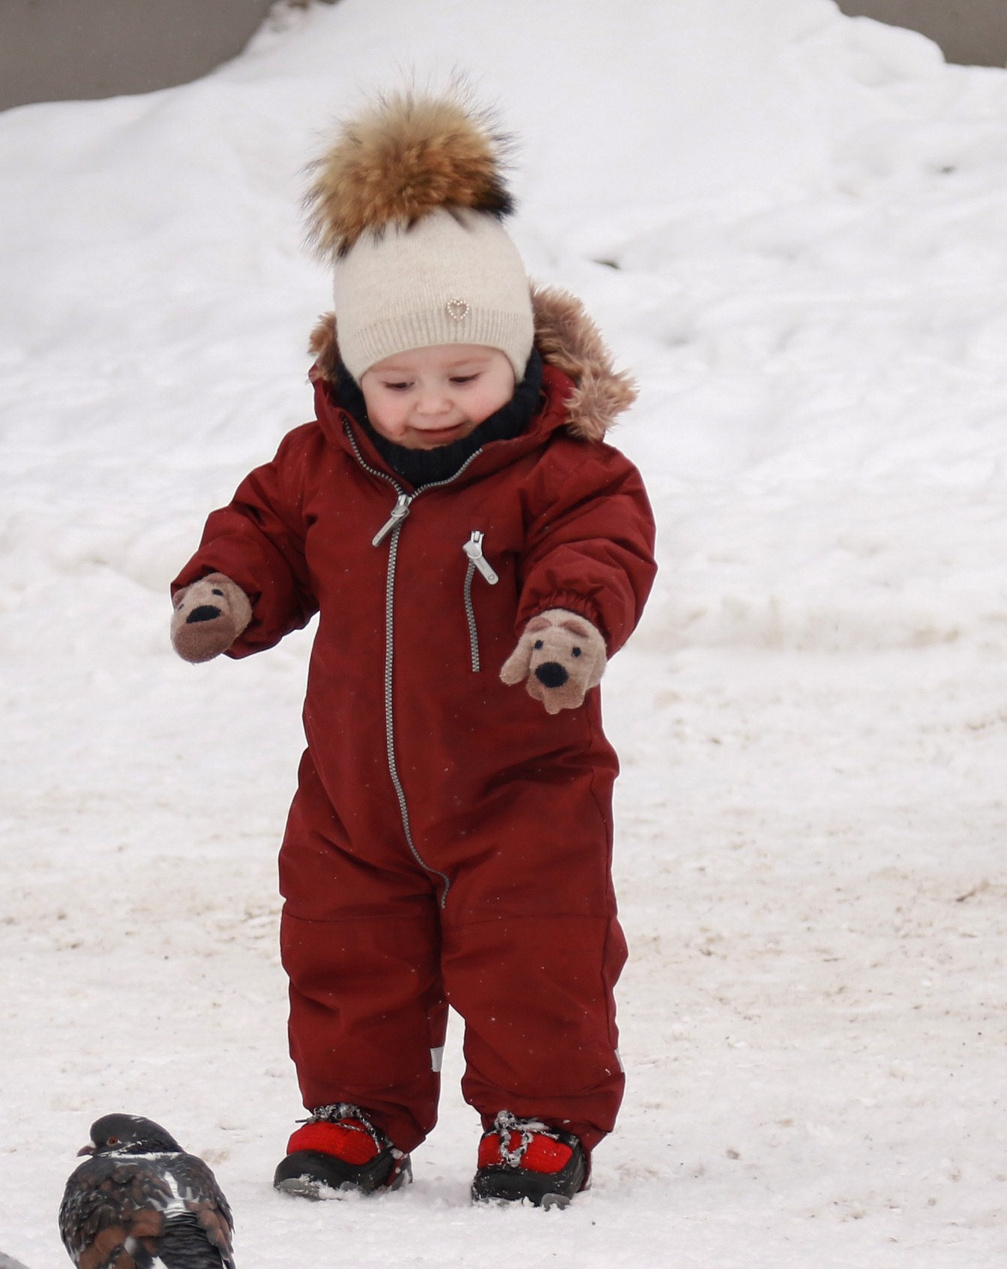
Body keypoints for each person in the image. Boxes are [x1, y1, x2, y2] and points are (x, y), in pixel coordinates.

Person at [168, 92, 655, 1208]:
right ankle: (355, 1113)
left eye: (463, 377)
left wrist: (568, 623)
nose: (431, 405)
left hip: (521, 781)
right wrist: (226, 591)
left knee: (537, 947)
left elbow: (602, 548)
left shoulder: (563, 471)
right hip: (356, 789)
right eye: (397, 383)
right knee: (345, 946)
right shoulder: (320, 465)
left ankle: (537, 1119)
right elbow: (263, 530)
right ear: (352, 376)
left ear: (519, 361)